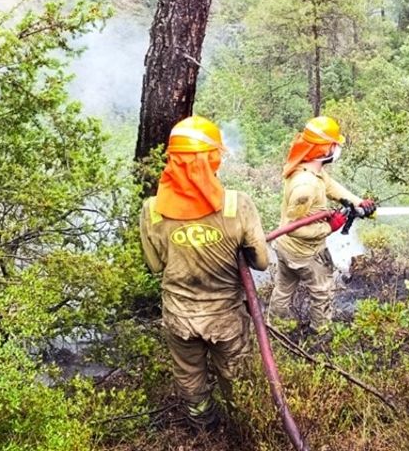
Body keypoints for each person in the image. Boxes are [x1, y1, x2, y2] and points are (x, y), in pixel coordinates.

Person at [139, 115, 270, 431]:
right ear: (212, 159)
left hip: (179, 317)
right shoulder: (237, 205)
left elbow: (155, 266)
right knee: (237, 375)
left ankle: (203, 425)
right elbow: (261, 262)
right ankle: (242, 425)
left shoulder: (151, 209)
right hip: (225, 318)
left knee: (189, 374)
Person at [268, 116, 375, 334]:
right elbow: (294, 226)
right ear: (324, 148)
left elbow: (330, 185)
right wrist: (329, 227)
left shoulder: (308, 169)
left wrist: (357, 202)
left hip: (284, 248)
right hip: (304, 254)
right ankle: (321, 331)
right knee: (323, 290)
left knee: (283, 288)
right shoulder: (305, 186)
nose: (337, 149)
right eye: (334, 144)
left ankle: (275, 326)